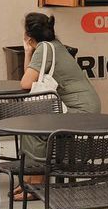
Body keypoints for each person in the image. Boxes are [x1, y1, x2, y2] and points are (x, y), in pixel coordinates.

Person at [16, 12, 102, 198]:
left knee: (35, 129)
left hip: (80, 110)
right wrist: (28, 52)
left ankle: (36, 184)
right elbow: (31, 77)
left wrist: (29, 50)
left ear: (29, 35)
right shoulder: (55, 45)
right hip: (87, 106)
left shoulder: (44, 49)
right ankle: (28, 181)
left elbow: (25, 83)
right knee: (33, 125)